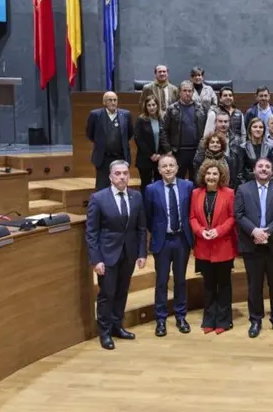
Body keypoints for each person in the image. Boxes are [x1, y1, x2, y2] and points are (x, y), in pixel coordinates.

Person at [85, 160, 147, 350]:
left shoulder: (136, 197)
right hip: (107, 255)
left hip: (128, 254)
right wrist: (96, 259)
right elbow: (92, 232)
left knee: (121, 292)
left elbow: (141, 228)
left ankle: (116, 326)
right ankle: (104, 333)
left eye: (125, 173)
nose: (122, 177)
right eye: (118, 173)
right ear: (110, 177)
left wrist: (142, 253)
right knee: (107, 294)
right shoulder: (98, 198)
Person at [235, 157, 273, 338]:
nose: (264, 169)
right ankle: (255, 320)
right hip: (252, 245)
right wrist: (254, 231)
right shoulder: (243, 189)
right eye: (260, 166)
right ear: (254, 169)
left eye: (267, 167)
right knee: (254, 286)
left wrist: (267, 232)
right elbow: (238, 214)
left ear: (272, 171)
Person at [144, 155, 194, 337]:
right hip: (162, 240)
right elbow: (148, 217)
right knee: (162, 282)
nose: (168, 169)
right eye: (164, 166)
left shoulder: (188, 186)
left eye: (171, 165)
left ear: (177, 167)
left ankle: (181, 316)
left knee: (180, 280)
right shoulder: (151, 189)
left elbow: (191, 212)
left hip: (182, 240)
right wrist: (158, 231)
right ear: (159, 170)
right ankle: (161, 319)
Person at [190, 160, 238, 334]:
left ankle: (224, 320)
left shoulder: (229, 193)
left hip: (223, 245)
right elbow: (192, 218)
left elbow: (233, 218)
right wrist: (201, 231)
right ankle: (209, 319)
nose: (211, 176)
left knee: (224, 285)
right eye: (208, 173)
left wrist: (218, 231)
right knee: (209, 285)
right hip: (204, 245)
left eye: (215, 174)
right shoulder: (196, 193)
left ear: (221, 176)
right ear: (204, 175)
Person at [86, 91, 134, 191]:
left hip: (120, 157)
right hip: (103, 158)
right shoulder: (95, 115)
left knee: (120, 185)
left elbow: (129, 133)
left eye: (115, 100)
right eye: (110, 100)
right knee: (102, 187)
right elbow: (90, 134)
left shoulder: (125, 114)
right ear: (104, 102)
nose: (113, 102)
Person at [164, 80, 208, 180]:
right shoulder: (172, 109)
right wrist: (168, 149)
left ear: (193, 92)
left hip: (197, 151)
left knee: (196, 180)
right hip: (178, 152)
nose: (187, 93)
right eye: (184, 90)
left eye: (190, 91)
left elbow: (206, 129)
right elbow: (164, 130)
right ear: (180, 92)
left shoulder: (201, 108)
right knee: (178, 180)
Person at [134, 95, 170, 195]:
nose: (151, 107)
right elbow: (138, 139)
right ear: (145, 107)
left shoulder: (161, 119)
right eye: (149, 105)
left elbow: (164, 138)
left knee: (159, 184)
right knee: (146, 184)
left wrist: (160, 154)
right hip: (145, 158)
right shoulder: (141, 120)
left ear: (157, 106)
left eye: (153, 105)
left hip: (159, 158)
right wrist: (151, 155)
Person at [235, 117, 273, 185]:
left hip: (266, 185)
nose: (258, 129)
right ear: (250, 129)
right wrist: (246, 187)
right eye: (255, 127)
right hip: (248, 185)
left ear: (264, 130)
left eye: (261, 127)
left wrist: (265, 185)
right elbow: (240, 173)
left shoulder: (270, 147)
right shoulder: (243, 147)